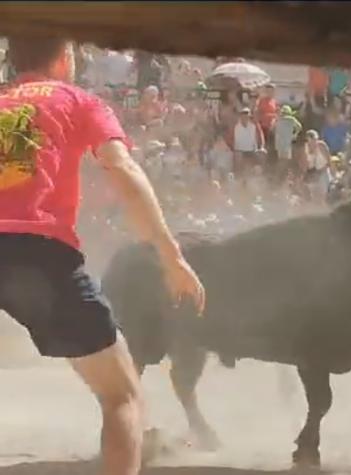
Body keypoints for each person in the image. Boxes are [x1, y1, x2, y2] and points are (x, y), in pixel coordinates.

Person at [0, 37, 205, 475]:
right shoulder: (77, 100)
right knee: (122, 397)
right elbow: (124, 170)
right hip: (40, 252)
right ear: (64, 57)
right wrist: (171, 255)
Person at [231, 107, 265, 177]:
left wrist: (261, 147)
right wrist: (232, 148)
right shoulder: (235, 126)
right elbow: (230, 138)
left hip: (252, 150)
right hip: (239, 151)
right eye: (243, 115)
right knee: (237, 158)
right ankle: (238, 178)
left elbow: (261, 136)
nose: (245, 118)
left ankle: (259, 179)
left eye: (247, 116)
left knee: (261, 155)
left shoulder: (254, 125)